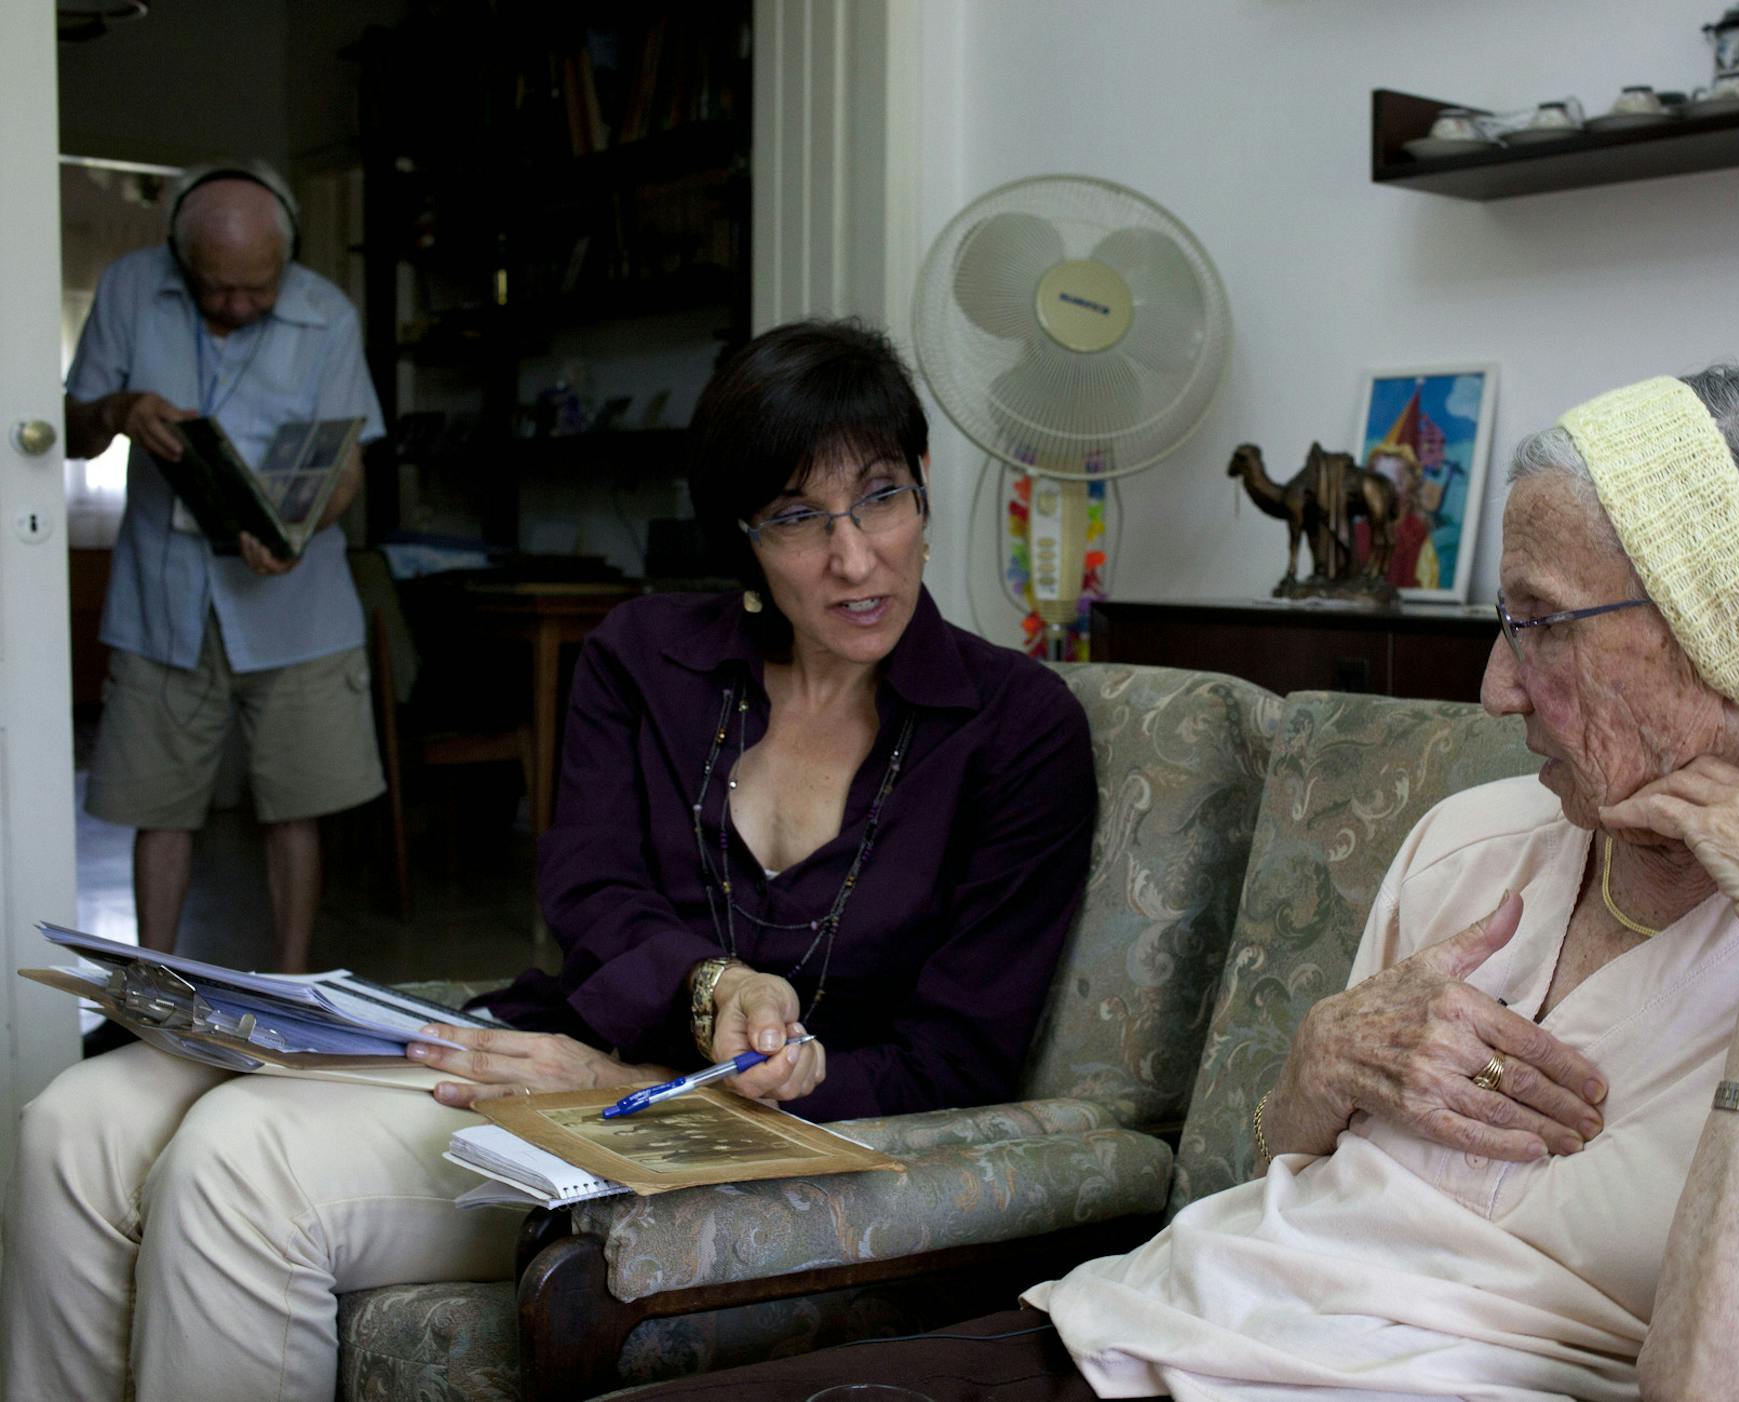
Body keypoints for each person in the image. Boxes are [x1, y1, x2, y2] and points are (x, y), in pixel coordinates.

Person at [619, 368, 1739, 1402]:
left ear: (1738, 637)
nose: (1495, 687)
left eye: (1541, 627)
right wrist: (1320, 1055)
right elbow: (1276, 1177)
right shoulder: (1483, 838)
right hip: (1140, 1333)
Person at [2, 318, 1097, 1398]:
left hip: (715, 1146)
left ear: (923, 484)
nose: (855, 556)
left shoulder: (1012, 726)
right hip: (540, 1052)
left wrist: (640, 1082)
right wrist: (708, 981)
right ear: (741, 537)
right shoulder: (647, 658)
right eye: (797, 517)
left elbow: (958, 1061)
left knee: (240, 1160)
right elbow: (590, 891)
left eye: (882, 497)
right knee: (75, 1122)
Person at [62, 160, 387, 974]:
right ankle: (150, 999)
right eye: (218, 290)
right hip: (160, 599)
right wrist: (120, 410)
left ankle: (291, 993)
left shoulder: (328, 312)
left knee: (295, 808)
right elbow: (67, 433)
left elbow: (346, 467)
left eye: (258, 288)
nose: (239, 306)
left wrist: (300, 530)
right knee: (157, 808)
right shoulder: (130, 289)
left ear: (287, 256)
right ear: (179, 258)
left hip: (297, 602)